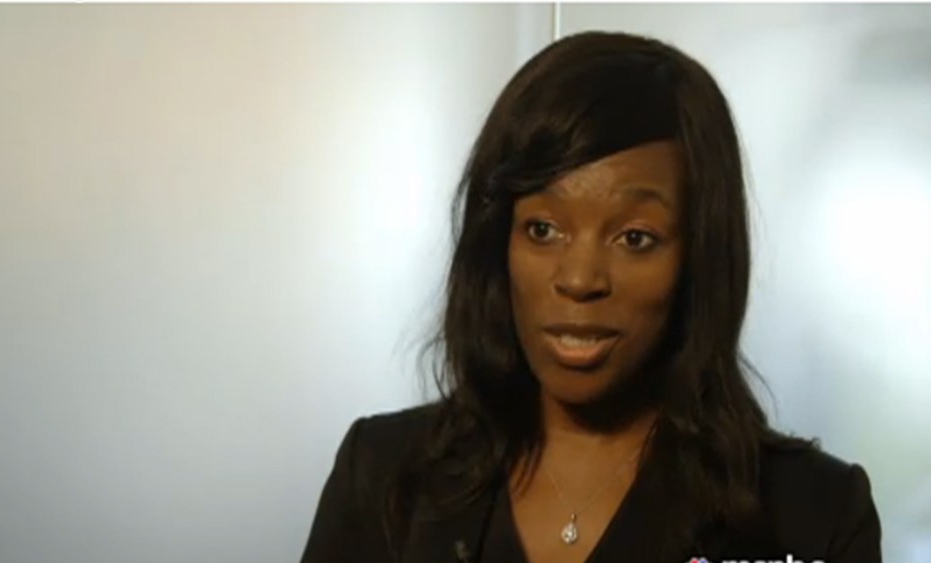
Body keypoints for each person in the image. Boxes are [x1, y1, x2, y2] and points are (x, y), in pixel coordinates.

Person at [299, 31, 881, 563]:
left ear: (698, 257)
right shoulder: (382, 474)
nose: (580, 280)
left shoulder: (812, 516)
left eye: (635, 238)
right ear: (497, 244)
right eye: (543, 229)